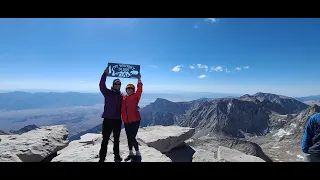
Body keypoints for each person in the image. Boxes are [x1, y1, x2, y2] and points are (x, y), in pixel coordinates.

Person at [98, 66, 123, 162]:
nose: (117, 85)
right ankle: (102, 158)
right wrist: (105, 74)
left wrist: (135, 107)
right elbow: (101, 85)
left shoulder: (122, 96)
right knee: (105, 140)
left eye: (119, 83)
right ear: (113, 84)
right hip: (108, 120)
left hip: (117, 120)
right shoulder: (107, 92)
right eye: (116, 83)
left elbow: (128, 103)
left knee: (116, 140)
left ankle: (117, 156)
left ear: (120, 85)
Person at [121, 73, 143, 162]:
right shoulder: (123, 98)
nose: (129, 90)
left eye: (131, 89)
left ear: (133, 90)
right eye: (128, 89)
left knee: (132, 137)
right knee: (128, 137)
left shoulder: (135, 96)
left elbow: (140, 90)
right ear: (126, 90)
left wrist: (139, 80)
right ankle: (130, 153)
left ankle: (138, 152)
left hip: (135, 120)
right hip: (126, 121)